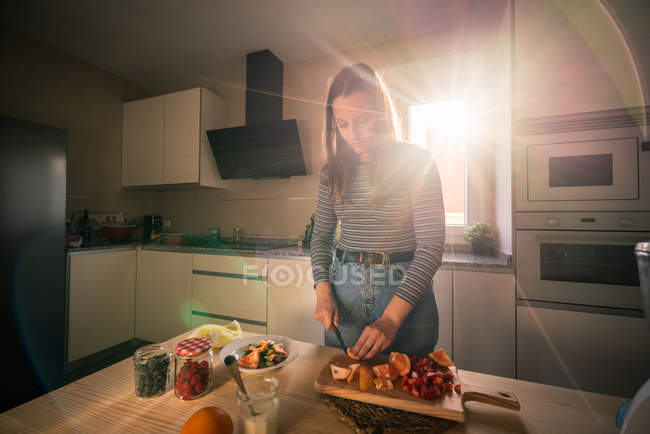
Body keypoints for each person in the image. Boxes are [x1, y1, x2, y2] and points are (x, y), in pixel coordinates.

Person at [310, 63, 445, 360]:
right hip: (345, 292)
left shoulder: (416, 162)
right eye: (343, 124)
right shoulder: (330, 172)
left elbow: (431, 247)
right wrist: (322, 290)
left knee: (410, 395)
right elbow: (320, 238)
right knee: (342, 393)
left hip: (403, 293)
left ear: (382, 115)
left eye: (362, 121)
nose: (353, 134)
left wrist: (390, 319)